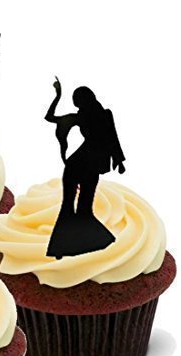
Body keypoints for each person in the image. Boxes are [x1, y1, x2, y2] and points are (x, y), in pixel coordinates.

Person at [45, 78, 126, 258]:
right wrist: (119, 161)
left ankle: (63, 248)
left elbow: (113, 138)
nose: (75, 103)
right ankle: (88, 245)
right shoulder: (100, 114)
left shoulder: (84, 116)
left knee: (72, 206)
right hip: (90, 165)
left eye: (76, 99)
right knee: (82, 209)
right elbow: (113, 139)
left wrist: (58, 96)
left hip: (80, 164)